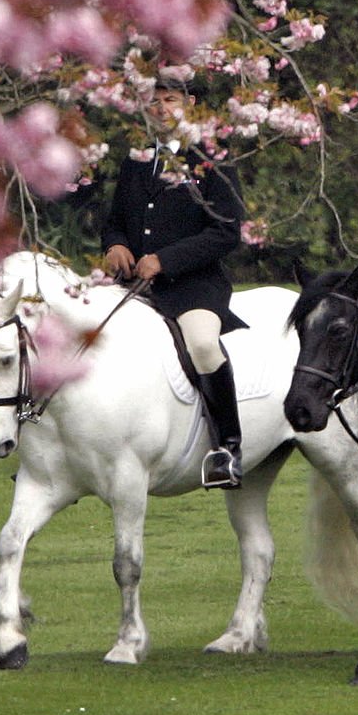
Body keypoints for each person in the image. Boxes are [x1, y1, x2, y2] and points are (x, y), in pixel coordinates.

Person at [101, 78, 247, 488]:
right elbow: (116, 220)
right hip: (135, 286)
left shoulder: (210, 158)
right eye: (154, 100)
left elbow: (227, 232)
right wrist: (115, 244)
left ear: (190, 103)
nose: (161, 107)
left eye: (170, 99)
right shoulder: (137, 159)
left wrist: (165, 260)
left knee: (201, 343)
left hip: (194, 286)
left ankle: (228, 449)